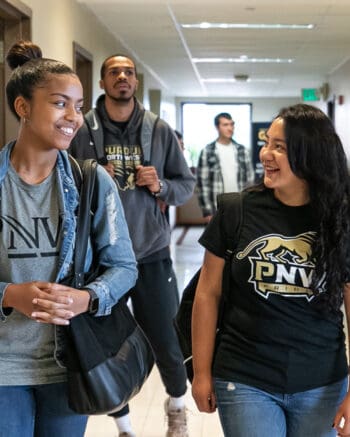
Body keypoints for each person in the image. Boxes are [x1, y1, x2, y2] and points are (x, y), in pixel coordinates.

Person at [0, 41, 137, 437]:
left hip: (69, 363)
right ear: (23, 107)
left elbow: (124, 267)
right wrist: (10, 295)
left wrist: (87, 298)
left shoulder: (91, 181)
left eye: (78, 106)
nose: (73, 117)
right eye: (60, 103)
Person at [191, 103, 350, 437]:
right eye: (267, 143)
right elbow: (207, 294)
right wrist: (202, 372)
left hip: (321, 380)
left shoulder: (339, 220)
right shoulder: (237, 210)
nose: (266, 154)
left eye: (280, 147)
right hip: (244, 375)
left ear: (310, 156)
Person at [69, 54, 196, 437]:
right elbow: (59, 183)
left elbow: (184, 185)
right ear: (104, 84)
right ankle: (124, 426)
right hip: (98, 259)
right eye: (114, 72)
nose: (122, 77)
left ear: (135, 82)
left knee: (167, 339)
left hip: (150, 252)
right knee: (105, 347)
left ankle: (177, 408)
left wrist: (160, 186)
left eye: (129, 72)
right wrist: (89, 179)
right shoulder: (81, 130)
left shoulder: (159, 130)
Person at [196, 112, 253, 222]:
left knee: (240, 239)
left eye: (232, 124)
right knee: (218, 239)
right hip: (217, 207)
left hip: (239, 206)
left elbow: (249, 181)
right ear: (217, 127)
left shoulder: (242, 150)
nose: (230, 128)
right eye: (225, 125)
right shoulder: (207, 151)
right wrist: (207, 211)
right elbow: (202, 184)